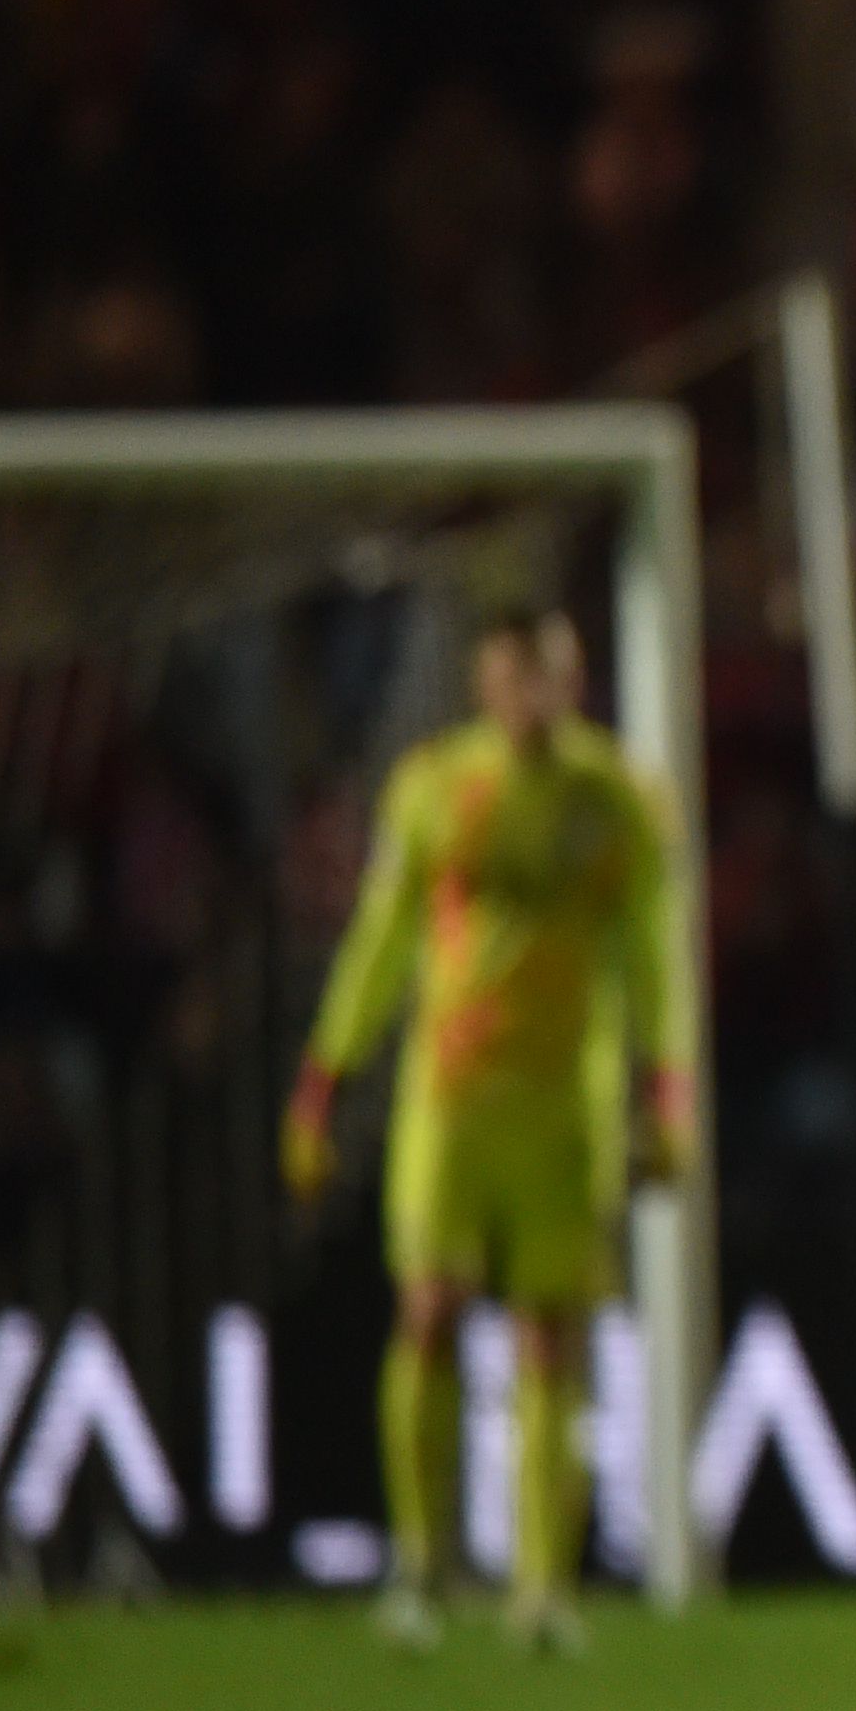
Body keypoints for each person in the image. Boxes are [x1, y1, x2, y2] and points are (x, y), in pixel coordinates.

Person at [284, 605, 692, 1655]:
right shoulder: (433, 787)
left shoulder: (621, 798)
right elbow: (382, 936)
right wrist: (326, 1074)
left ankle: (542, 1588)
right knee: (427, 1308)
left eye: (553, 674)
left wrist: (667, 1088)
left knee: (548, 1331)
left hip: (568, 1101)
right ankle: (421, 1566)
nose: (536, 695)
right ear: (485, 682)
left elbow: (654, 949)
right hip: (451, 1094)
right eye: (517, 675)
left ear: (576, 678)